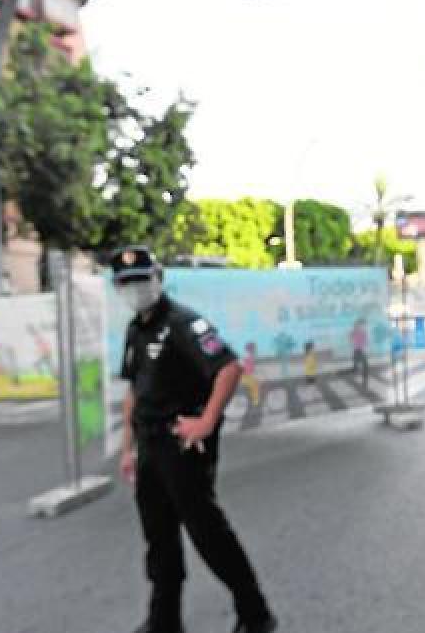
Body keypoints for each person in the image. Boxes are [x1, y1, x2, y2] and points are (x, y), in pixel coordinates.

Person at [112, 245, 277, 633]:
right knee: (159, 538)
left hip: (182, 446)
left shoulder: (183, 323)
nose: (135, 289)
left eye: (141, 280)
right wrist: (127, 448)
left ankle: (255, 614)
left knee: (208, 534)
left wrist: (205, 422)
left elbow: (230, 368)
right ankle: (164, 620)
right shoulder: (136, 329)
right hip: (150, 447)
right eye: (126, 283)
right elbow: (135, 392)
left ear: (157, 279)